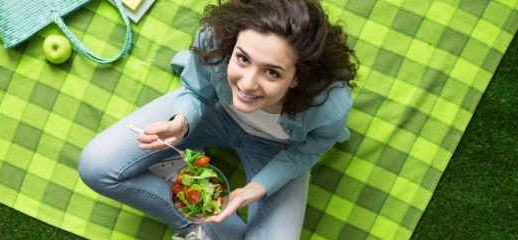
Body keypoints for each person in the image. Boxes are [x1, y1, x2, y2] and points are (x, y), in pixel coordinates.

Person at [78, 0, 358, 239]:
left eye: (272, 72)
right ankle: (195, 222)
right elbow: (197, 91)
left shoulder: (329, 104)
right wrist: (182, 122)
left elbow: (305, 154)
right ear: (232, 44)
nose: (248, 84)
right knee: (95, 167)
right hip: (214, 113)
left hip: (278, 149)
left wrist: (254, 190)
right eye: (243, 59)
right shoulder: (215, 38)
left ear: (298, 76)